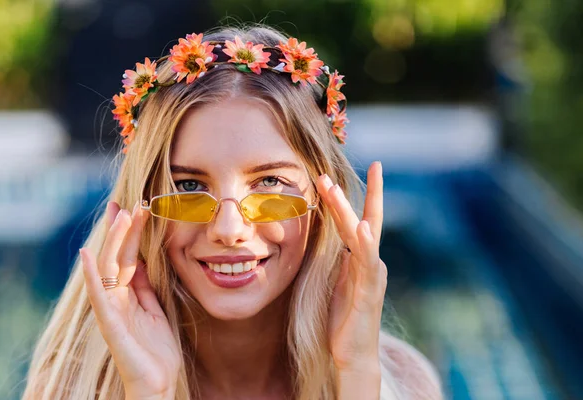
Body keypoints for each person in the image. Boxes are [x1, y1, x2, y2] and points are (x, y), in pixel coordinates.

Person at [23, 25, 442, 399]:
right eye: (188, 185)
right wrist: (149, 391)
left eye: (270, 182)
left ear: (324, 201)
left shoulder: (404, 382)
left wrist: (356, 375)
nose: (229, 229)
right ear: (142, 205)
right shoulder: (68, 386)